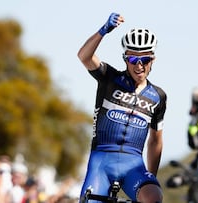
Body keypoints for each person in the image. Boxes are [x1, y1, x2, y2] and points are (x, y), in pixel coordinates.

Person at [77, 13, 167, 203]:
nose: (140, 66)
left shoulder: (158, 96)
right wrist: (103, 31)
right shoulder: (109, 78)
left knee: (153, 197)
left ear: (154, 60)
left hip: (133, 165)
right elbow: (84, 56)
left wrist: (151, 177)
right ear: (125, 59)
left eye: (146, 60)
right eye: (134, 60)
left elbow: (155, 141)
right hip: (101, 162)